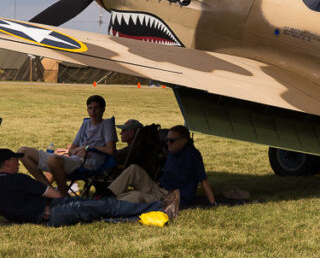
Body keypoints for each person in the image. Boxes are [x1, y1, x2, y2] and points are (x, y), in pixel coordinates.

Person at [0, 148, 176, 227]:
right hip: (58, 211)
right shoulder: (17, 179)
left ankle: (143, 217)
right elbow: (55, 195)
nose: (18, 163)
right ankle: (160, 207)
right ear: (8, 163)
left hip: (46, 220)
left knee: (97, 218)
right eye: (15, 160)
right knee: (108, 206)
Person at [17, 94, 116, 197]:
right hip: (75, 159)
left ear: (103, 109)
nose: (93, 112)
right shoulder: (86, 123)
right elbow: (72, 149)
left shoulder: (107, 125)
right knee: (22, 152)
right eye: (90, 108)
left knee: (53, 160)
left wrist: (86, 148)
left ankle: (63, 197)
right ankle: (49, 191)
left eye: (96, 108)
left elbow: (110, 150)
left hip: (88, 164)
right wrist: (76, 150)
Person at [109, 125, 215, 208]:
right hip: (159, 188)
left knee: (137, 196)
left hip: (171, 197)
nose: (168, 143)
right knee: (133, 169)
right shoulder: (172, 151)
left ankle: (109, 202)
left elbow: (203, 180)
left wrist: (212, 203)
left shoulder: (193, 156)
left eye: (172, 141)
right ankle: (109, 195)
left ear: (184, 140)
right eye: (167, 140)